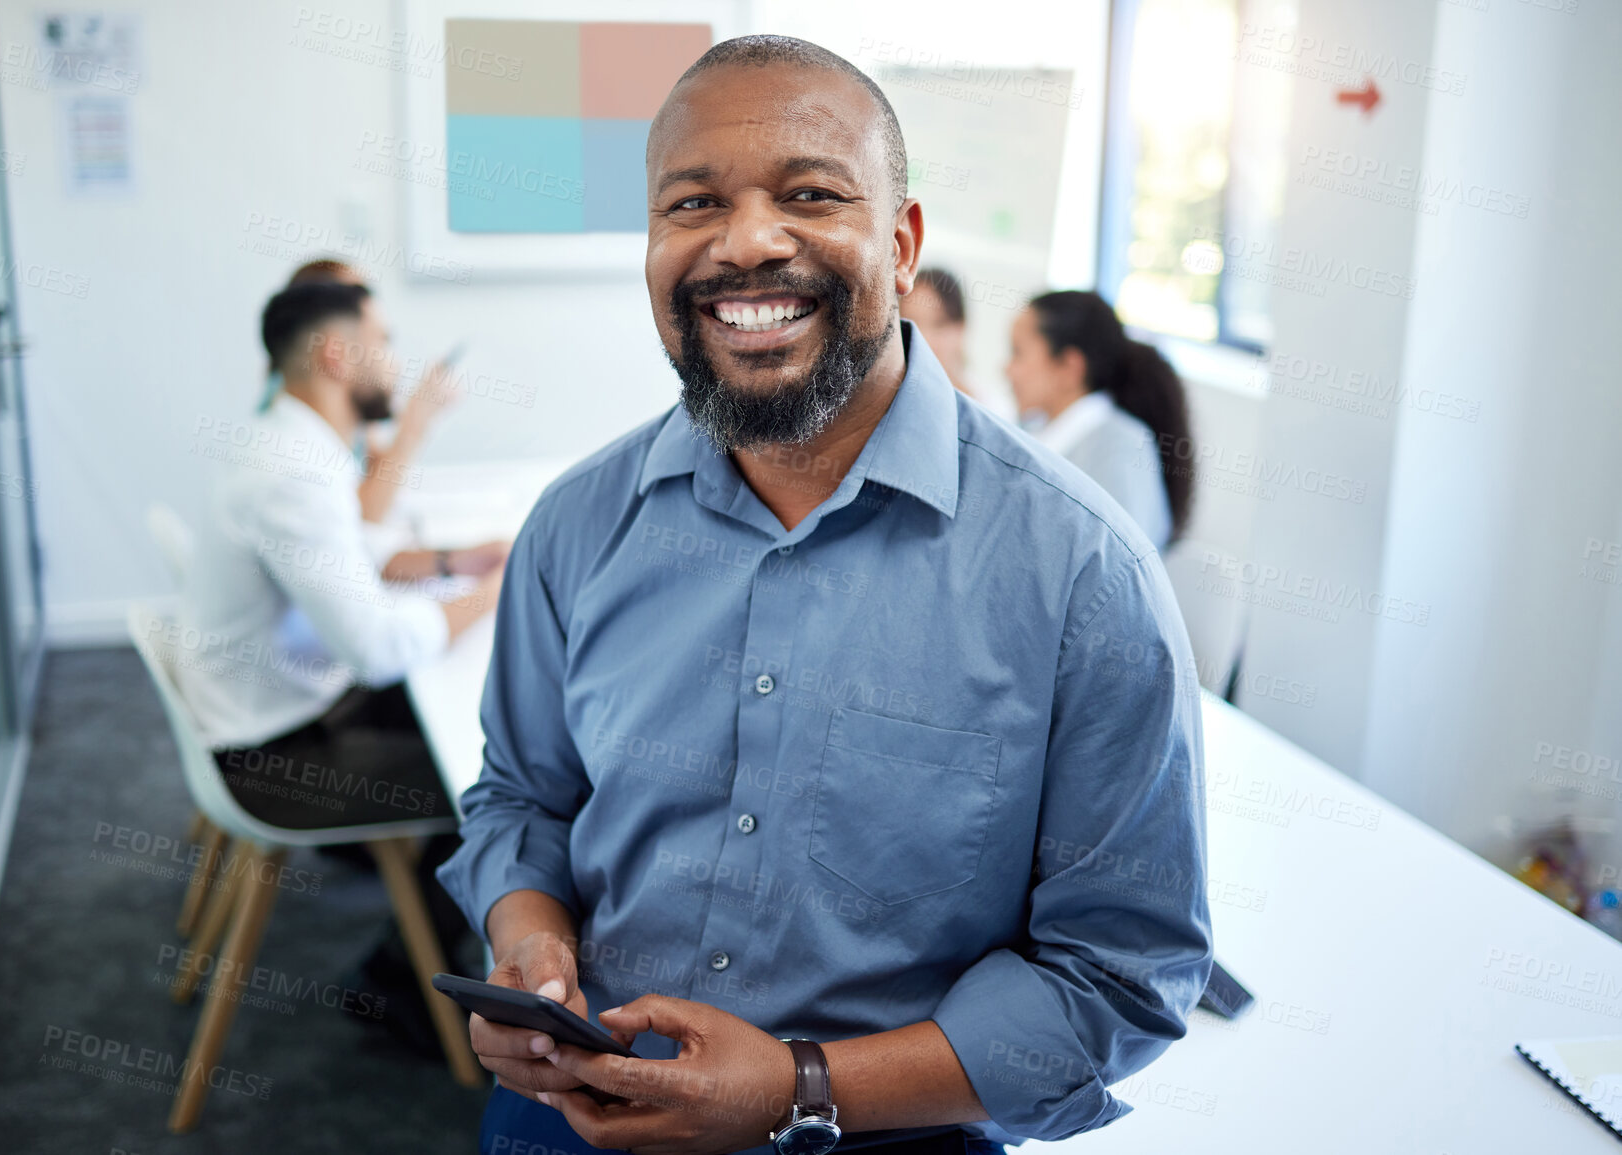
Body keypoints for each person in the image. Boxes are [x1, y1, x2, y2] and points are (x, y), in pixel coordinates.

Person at [438, 35, 1210, 1155]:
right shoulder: (577, 523)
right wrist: (531, 948)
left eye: (810, 194)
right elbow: (521, 799)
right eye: (693, 202)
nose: (746, 241)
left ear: (901, 246)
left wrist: (801, 1086)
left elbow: (1120, 980)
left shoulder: (1081, 574)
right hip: (571, 1114)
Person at [175, 280, 506, 1044]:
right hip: (274, 757)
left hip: (290, 700)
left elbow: (357, 557)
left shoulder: (293, 445)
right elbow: (376, 648)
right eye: (383, 341)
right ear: (336, 353)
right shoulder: (290, 472)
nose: (395, 362)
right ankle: (395, 982)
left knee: (490, 723)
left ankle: (415, 950)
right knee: (494, 783)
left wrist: (460, 559)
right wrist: (492, 590)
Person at [260, 258, 462, 525]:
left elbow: (373, 471)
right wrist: (415, 422)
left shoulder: (349, 404)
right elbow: (364, 516)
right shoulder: (295, 421)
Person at [1005, 290, 1193, 550]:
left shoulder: (1121, 450)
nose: (1007, 369)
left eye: (1018, 353)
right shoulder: (1035, 430)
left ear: (1070, 368)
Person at [898, 267, 971, 395]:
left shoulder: (994, 408)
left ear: (961, 327)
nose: (924, 339)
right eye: (911, 325)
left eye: (938, 325)